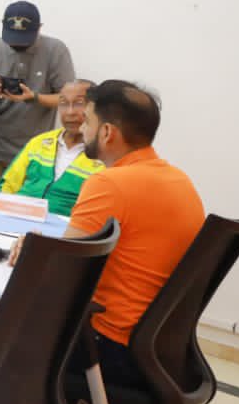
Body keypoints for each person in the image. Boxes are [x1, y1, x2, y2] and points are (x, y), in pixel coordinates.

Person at [60, 81, 203, 387]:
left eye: (87, 121)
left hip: (108, 346)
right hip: (162, 349)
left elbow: (58, 272)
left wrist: (31, 251)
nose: (81, 128)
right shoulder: (179, 180)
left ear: (107, 132)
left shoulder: (109, 183)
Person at [0, 1, 75, 198]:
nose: (18, 44)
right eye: (12, 38)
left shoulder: (55, 50)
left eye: (25, 39)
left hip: (36, 154)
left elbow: (67, 99)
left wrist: (34, 97)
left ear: (39, 28)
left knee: (26, 212)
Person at [0, 79, 102, 217]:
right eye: (63, 103)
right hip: (19, 219)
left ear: (95, 109)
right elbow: (7, 185)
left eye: (79, 103)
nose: (70, 112)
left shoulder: (103, 153)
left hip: (68, 226)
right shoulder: (39, 142)